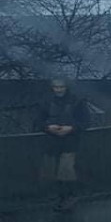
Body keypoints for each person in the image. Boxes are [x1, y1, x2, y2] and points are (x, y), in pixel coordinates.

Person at [35, 78, 89, 212]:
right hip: (51, 142)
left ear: (66, 87)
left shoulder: (77, 101)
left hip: (70, 142)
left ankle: (69, 197)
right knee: (50, 172)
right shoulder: (46, 102)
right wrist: (48, 127)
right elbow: (38, 121)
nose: (58, 90)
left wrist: (71, 128)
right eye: (56, 87)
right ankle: (59, 197)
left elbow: (86, 121)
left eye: (61, 87)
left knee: (66, 170)